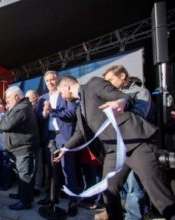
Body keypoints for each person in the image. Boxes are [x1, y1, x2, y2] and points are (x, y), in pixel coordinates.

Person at [54, 75, 175, 220]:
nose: (61, 96)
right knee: (108, 189)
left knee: (159, 195)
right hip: (114, 150)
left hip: (135, 142)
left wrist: (121, 102)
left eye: (60, 92)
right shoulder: (80, 109)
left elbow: (122, 97)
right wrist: (65, 149)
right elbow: (79, 133)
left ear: (67, 86)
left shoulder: (93, 84)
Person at [103, 65, 153, 219]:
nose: (109, 84)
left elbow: (140, 114)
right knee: (118, 188)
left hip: (135, 146)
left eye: (111, 79)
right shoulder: (113, 95)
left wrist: (122, 107)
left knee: (133, 189)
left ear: (122, 76)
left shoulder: (141, 92)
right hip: (117, 148)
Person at [0, 86, 39, 210]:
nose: (7, 101)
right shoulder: (18, 107)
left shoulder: (22, 107)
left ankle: (25, 202)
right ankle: (22, 195)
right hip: (18, 149)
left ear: (16, 97)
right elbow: (6, 120)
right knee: (21, 175)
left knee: (25, 176)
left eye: (9, 98)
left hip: (24, 149)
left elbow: (7, 124)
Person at [36, 71, 79, 216]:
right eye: (47, 80)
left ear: (58, 79)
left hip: (64, 137)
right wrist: (44, 113)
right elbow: (39, 117)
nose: (50, 82)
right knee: (51, 170)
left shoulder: (65, 94)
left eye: (53, 79)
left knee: (68, 170)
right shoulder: (42, 98)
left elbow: (71, 114)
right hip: (49, 138)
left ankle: (73, 201)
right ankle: (52, 197)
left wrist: (52, 111)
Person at [0, 98, 12, 191]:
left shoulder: (8, 114)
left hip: (5, 143)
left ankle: (7, 183)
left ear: (4, 105)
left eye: (0, 104)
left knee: (6, 164)